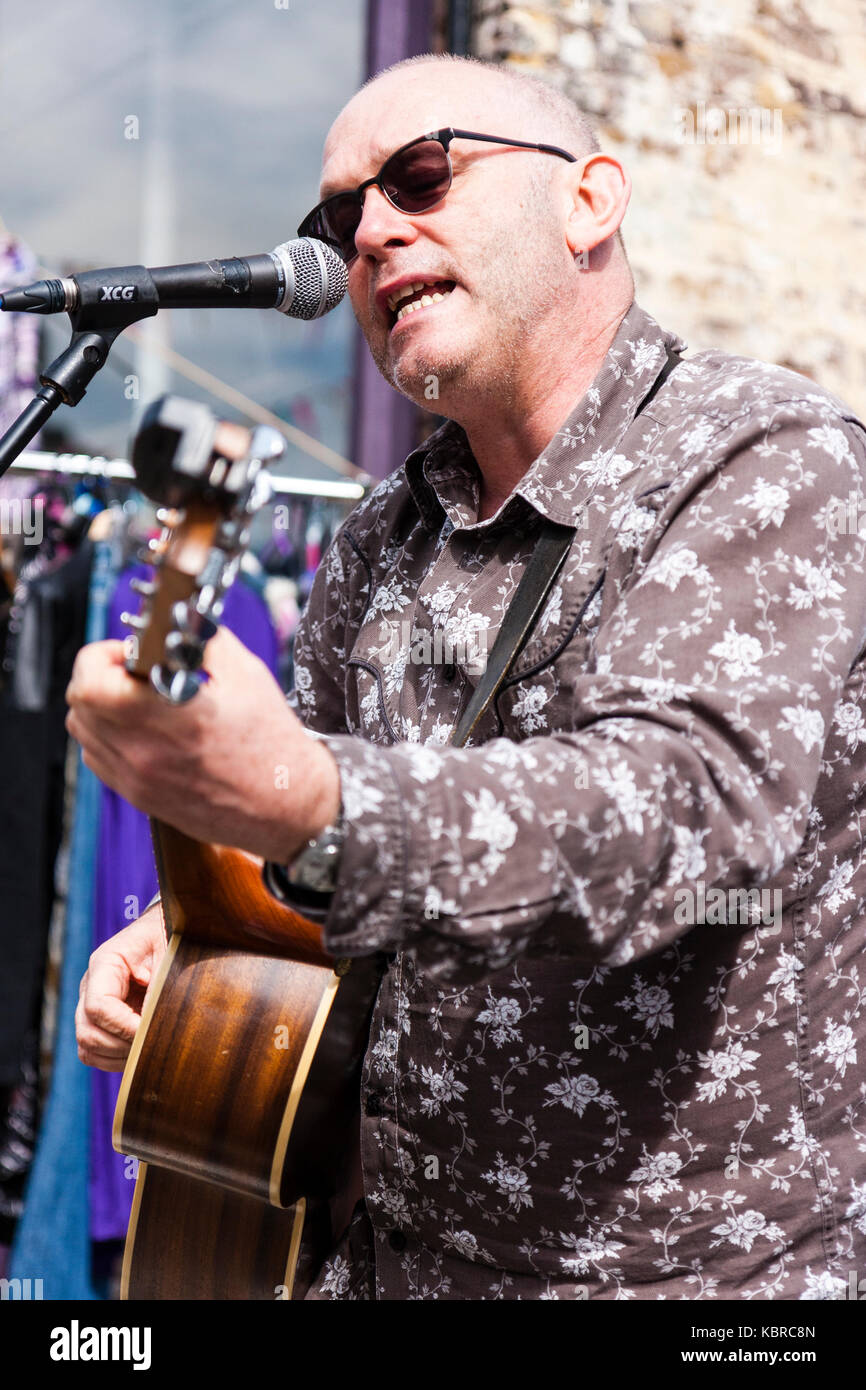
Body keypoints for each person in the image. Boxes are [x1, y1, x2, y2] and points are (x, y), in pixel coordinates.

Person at [69, 54, 866, 1301]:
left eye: (421, 174)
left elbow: (687, 814)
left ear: (588, 201)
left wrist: (306, 796)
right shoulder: (383, 531)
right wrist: (180, 926)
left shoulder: (767, 460)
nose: (372, 231)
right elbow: (312, 869)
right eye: (338, 219)